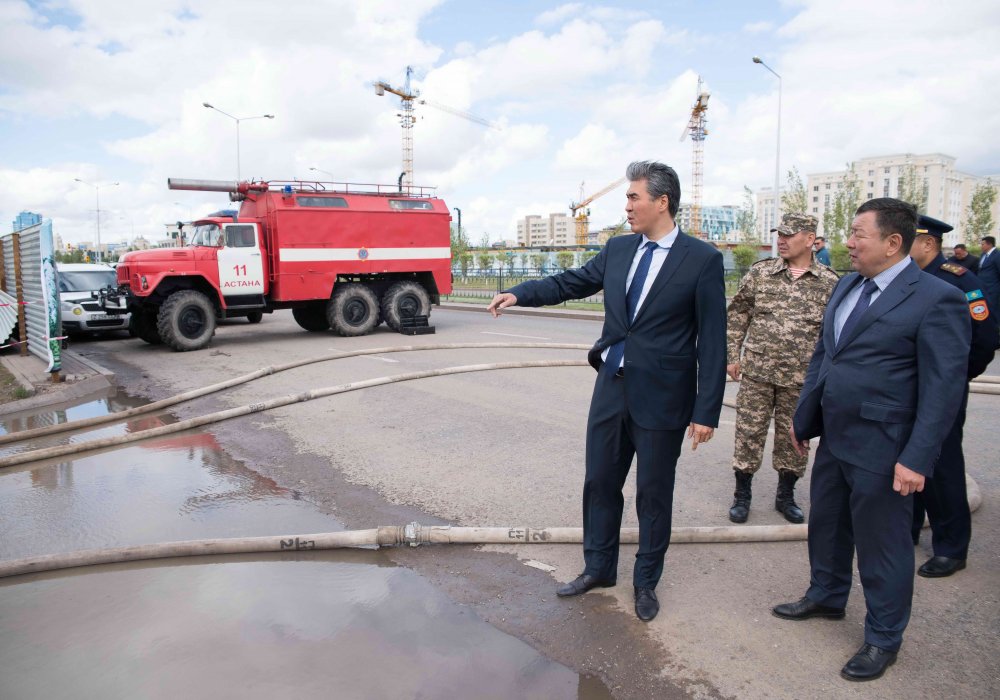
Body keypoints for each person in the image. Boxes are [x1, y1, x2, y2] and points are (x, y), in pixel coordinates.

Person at [486, 161, 726, 622]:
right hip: (611, 389)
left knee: (654, 494)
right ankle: (598, 568)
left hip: (664, 397)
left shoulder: (702, 260)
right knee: (599, 482)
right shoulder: (618, 250)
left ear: (662, 202)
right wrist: (519, 293)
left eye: (635, 197)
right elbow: (569, 282)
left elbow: (714, 340)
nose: (627, 205)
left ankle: (645, 582)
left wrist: (706, 411)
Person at [774, 198, 970, 682]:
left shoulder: (935, 297)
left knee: (884, 545)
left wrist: (917, 457)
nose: (848, 242)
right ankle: (827, 594)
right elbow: (826, 354)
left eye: (858, 234)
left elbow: (944, 390)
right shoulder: (847, 285)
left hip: (886, 446)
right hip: (836, 436)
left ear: (892, 242)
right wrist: (804, 418)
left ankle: (883, 637)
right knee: (828, 525)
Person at [726, 213, 838, 525]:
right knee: (748, 433)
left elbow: (834, 335)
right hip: (757, 373)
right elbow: (738, 314)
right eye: (780, 234)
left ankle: (786, 495)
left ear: (810, 238)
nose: (782, 240)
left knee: (794, 438)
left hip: (801, 379)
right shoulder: (761, 273)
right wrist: (732, 354)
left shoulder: (829, 282)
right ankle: (742, 495)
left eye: (789, 235)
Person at [909, 215, 997, 576]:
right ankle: (907, 529)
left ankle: (951, 547)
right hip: (906, 386)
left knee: (941, 464)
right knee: (904, 457)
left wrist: (956, 377)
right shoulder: (906, 278)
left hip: (941, 388)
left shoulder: (959, 281)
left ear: (928, 244)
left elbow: (986, 337)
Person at [978, 235, 1000, 312]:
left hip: (993, 288)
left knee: (993, 309)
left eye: (982, 244)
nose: (981, 246)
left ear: (989, 244)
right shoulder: (983, 255)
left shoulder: (997, 255)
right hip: (982, 287)